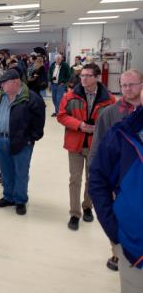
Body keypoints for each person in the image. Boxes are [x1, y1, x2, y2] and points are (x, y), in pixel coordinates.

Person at [89, 87, 143, 293]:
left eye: (132, 84)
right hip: (135, 250)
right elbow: (98, 179)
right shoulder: (122, 133)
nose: (127, 89)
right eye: (124, 84)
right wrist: (115, 231)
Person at [57, 63, 116, 231]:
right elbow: (61, 116)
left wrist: (97, 128)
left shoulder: (109, 99)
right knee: (74, 179)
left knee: (92, 180)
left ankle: (87, 207)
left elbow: (112, 122)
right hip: (74, 144)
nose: (83, 78)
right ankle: (74, 214)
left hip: (96, 146)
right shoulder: (70, 96)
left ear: (97, 77)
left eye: (88, 75)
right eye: (82, 75)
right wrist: (79, 125)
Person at [0, 69, 46, 215]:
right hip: (1, 139)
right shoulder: (0, 97)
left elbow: (39, 124)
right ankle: (8, 196)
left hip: (22, 141)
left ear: (16, 82)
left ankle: (20, 200)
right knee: (6, 170)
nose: (1, 86)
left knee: (21, 172)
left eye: (4, 83)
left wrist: (30, 138)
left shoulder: (31, 99)